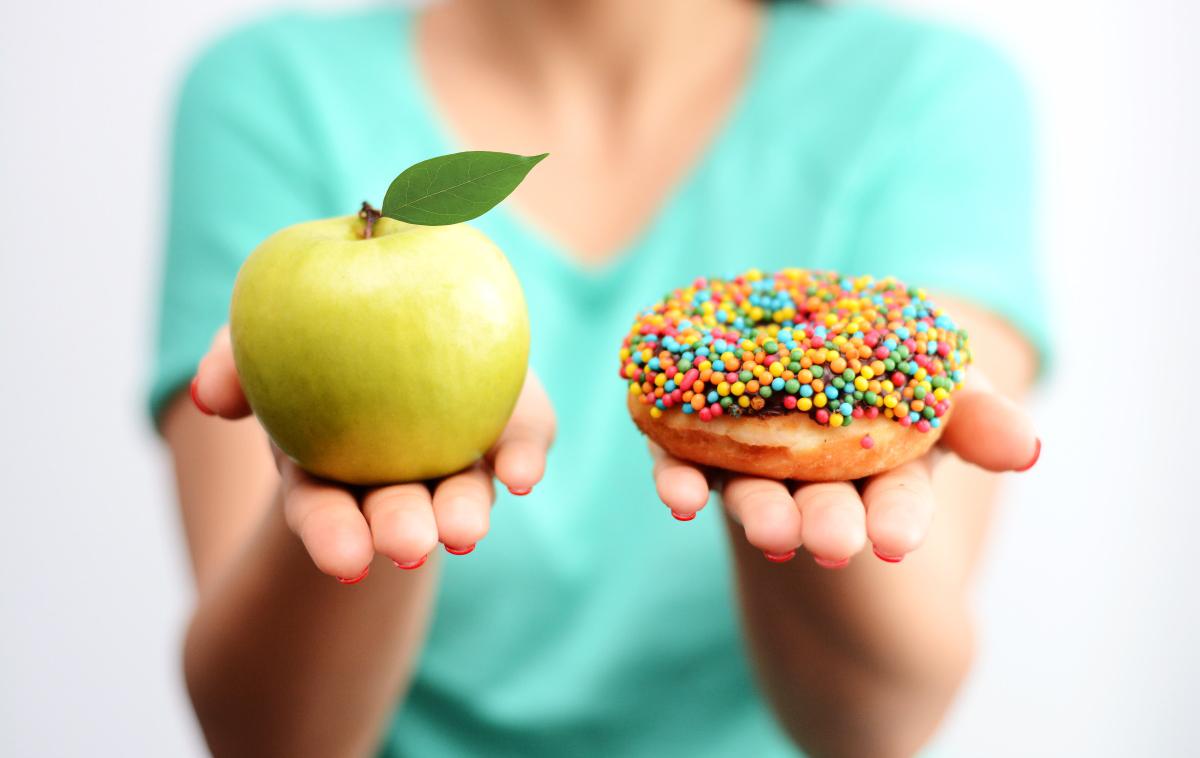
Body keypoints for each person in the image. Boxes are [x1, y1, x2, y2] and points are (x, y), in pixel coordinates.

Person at [152, 0, 1045, 755]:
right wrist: (370, 444)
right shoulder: (274, 92)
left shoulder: (924, 93)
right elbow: (263, 736)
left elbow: (881, 724)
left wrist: (791, 474)